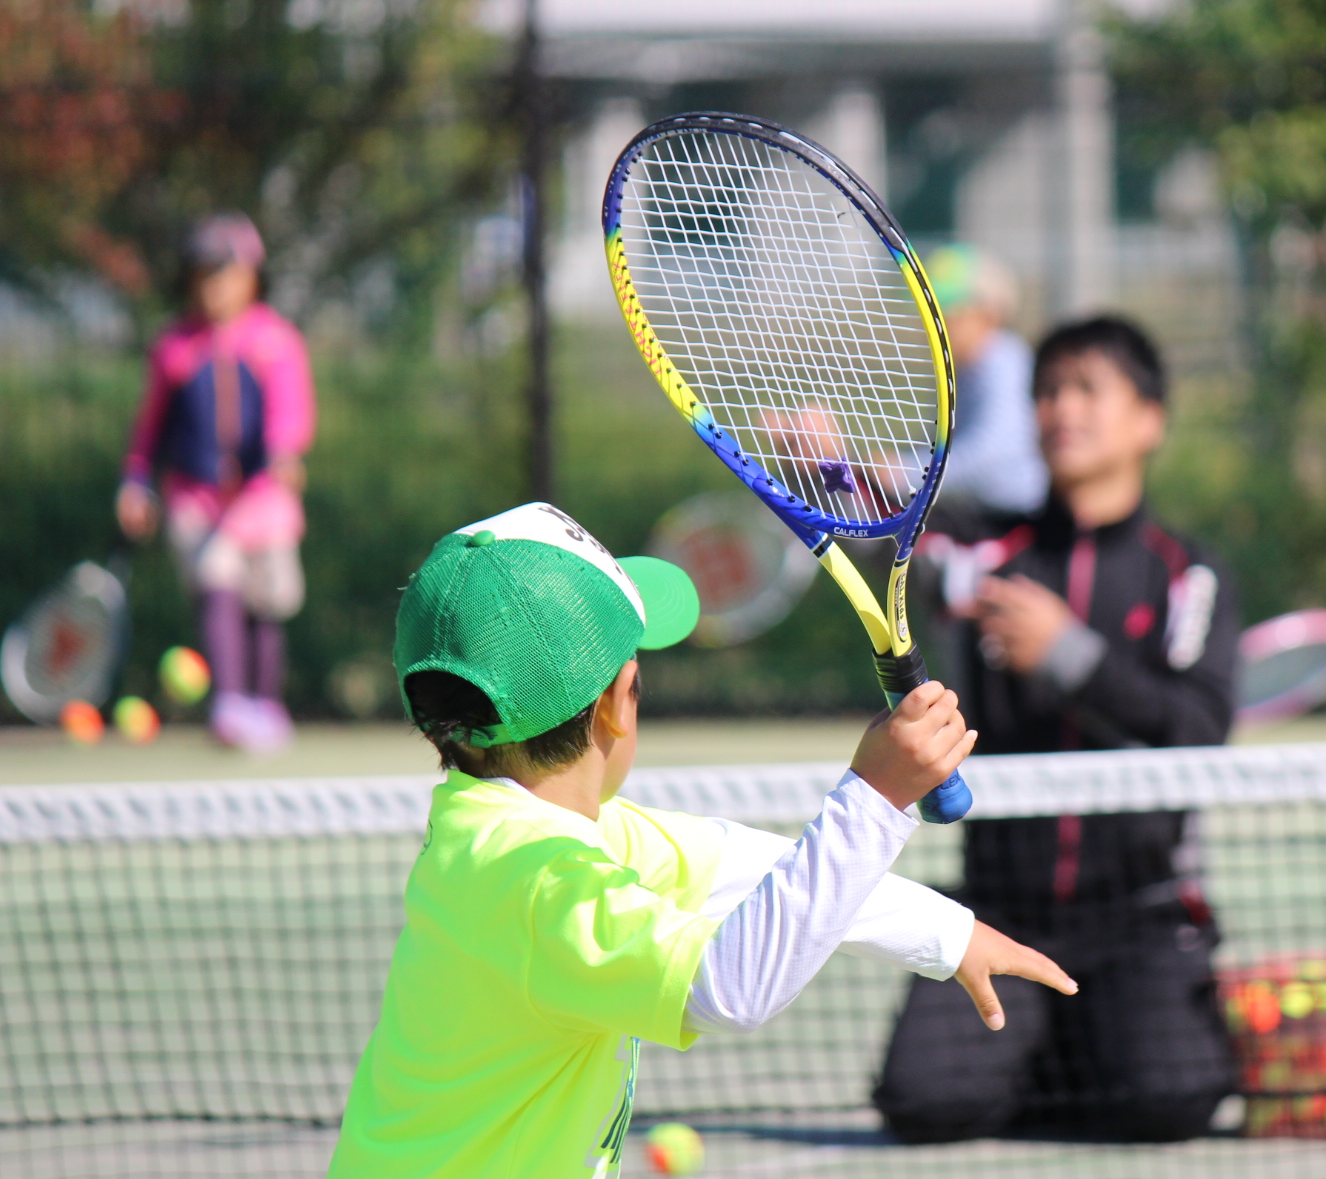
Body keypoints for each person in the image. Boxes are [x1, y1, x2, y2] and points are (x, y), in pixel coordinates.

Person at [330, 502, 1073, 1177]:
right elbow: (729, 989)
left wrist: (950, 935)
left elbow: (740, 865)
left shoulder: (511, 833)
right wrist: (874, 798)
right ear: (620, 704)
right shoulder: (540, 880)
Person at [874, 316, 1239, 1145]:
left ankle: (1080, 1040)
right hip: (1000, 911)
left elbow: (1198, 730)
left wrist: (1069, 656)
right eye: (1046, 391)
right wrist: (826, 464)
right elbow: (883, 523)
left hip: (1142, 914)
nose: (1059, 410)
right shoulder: (980, 550)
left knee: (1174, 1102)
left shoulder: (1190, 571)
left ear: (1150, 419)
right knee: (925, 1106)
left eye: (1086, 389)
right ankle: (1051, 1047)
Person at [117, 213, 314, 753]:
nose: (213, 286)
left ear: (252, 276)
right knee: (216, 581)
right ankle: (230, 704)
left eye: (225, 273)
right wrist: (136, 482)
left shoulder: (275, 340)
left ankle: (266, 705)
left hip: (262, 499)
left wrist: (282, 455)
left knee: (267, 600)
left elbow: (289, 413)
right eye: (203, 274)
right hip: (196, 496)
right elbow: (150, 429)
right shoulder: (175, 347)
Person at [925, 244, 1048, 515]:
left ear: (987, 312)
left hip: (1019, 519)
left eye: (947, 307)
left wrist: (909, 473)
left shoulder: (1003, 359)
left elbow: (993, 450)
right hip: (976, 515)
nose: (935, 322)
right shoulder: (958, 372)